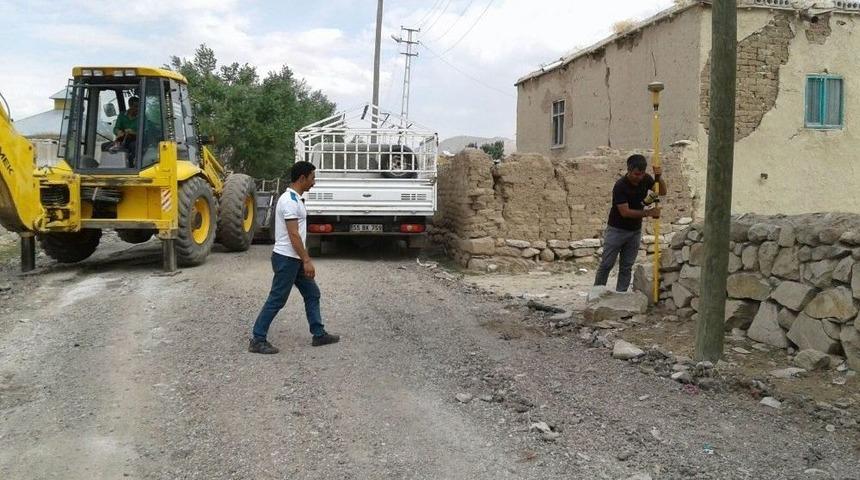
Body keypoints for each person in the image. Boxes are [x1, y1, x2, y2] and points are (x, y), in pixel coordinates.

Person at [249, 161, 340, 354]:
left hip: (294, 257)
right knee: (277, 299)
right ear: (302, 178)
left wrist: (302, 259)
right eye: (312, 178)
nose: (314, 182)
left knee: (312, 293)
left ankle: (318, 334)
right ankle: (257, 339)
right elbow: (293, 234)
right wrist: (306, 260)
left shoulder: (296, 199)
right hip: (287, 258)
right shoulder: (289, 201)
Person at [594, 154, 667, 292]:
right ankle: (597, 295)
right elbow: (625, 212)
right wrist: (648, 213)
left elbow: (662, 192)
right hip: (616, 230)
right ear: (629, 170)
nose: (639, 177)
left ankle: (621, 295)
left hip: (634, 231)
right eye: (636, 174)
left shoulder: (645, 179)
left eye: (641, 174)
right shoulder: (620, 186)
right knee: (607, 264)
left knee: (626, 266)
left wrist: (659, 177)